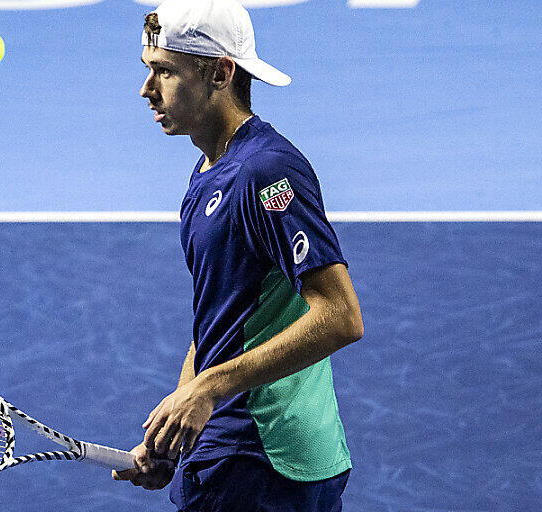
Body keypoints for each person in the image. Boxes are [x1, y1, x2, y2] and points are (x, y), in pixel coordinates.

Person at [112, 0, 365, 510]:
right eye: (148, 71)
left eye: (164, 72)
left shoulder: (266, 173)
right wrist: (175, 432)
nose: (146, 90)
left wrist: (209, 389)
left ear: (221, 73)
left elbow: (341, 317)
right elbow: (221, 319)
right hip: (241, 450)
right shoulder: (209, 172)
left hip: (260, 459)